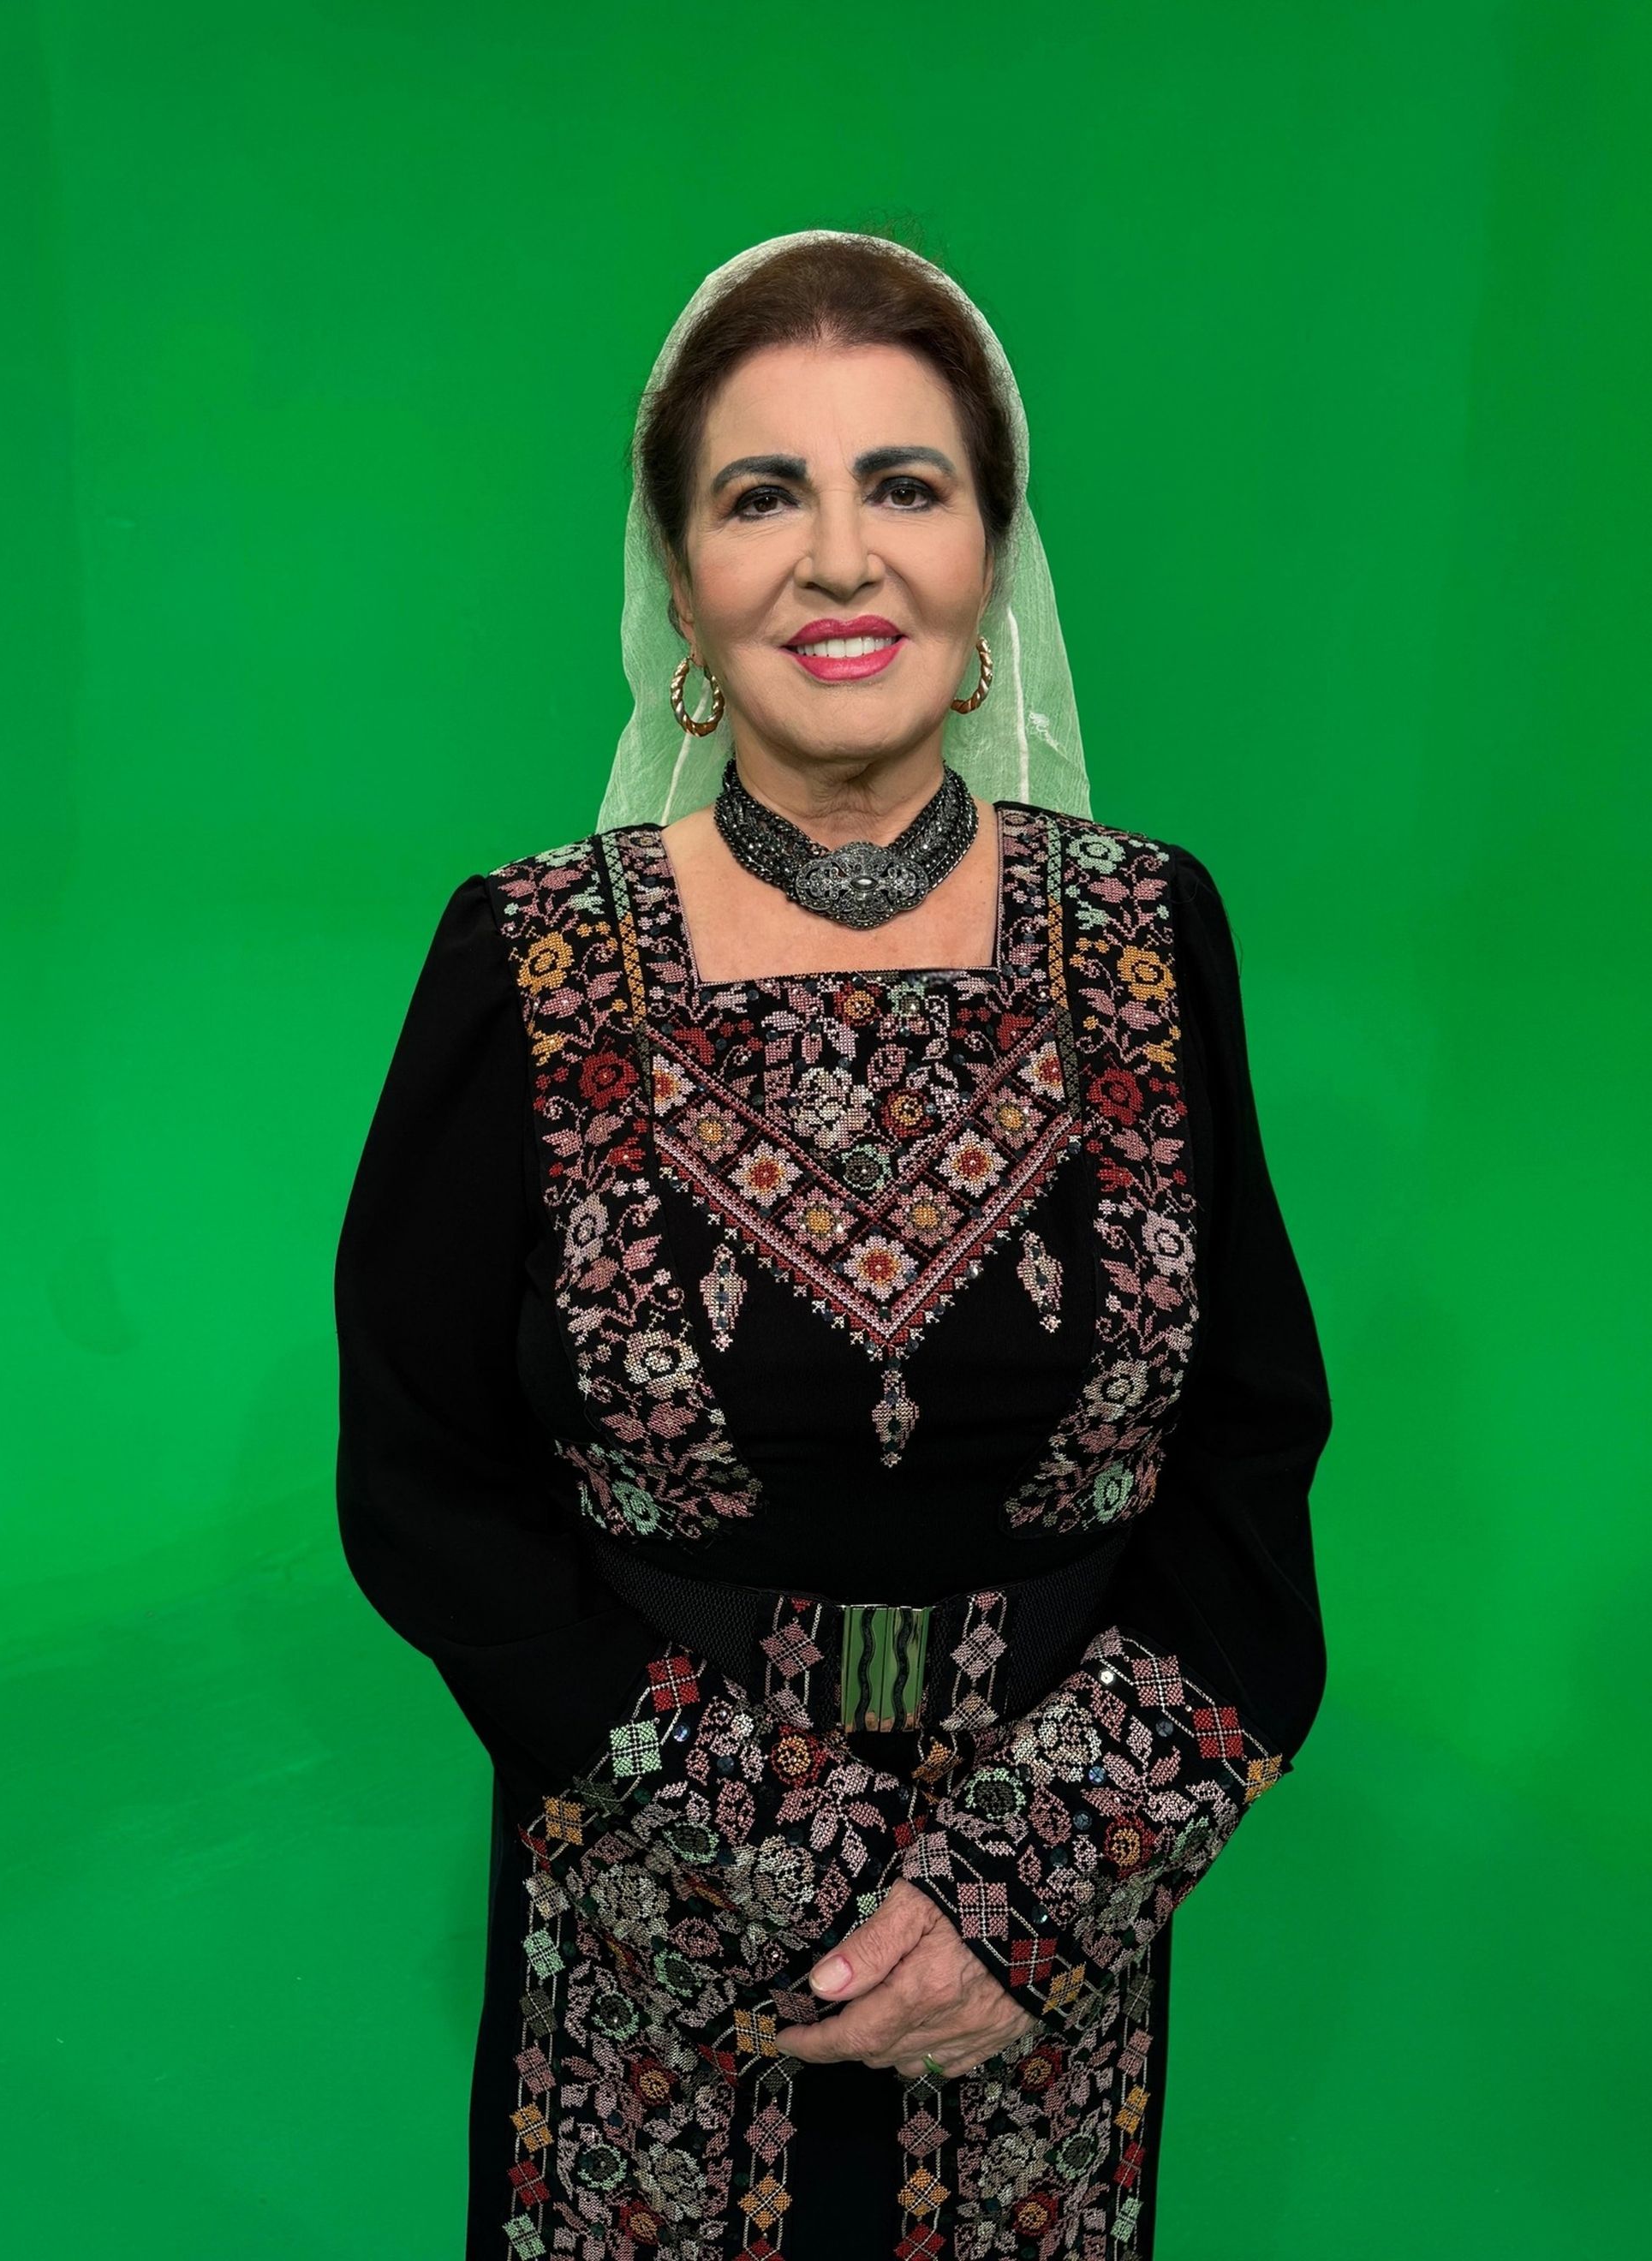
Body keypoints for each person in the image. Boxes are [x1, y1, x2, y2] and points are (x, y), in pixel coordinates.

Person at [333, 228, 1332, 2261]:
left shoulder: (1149, 939)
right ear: (679, 573)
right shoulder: (532, 958)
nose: (839, 559)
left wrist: (1027, 1894)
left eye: (905, 485)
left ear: (993, 553)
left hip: (1050, 1956)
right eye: (762, 496)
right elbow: (426, 1483)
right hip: (646, 1934)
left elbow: (1246, 1451)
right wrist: (768, 1867)